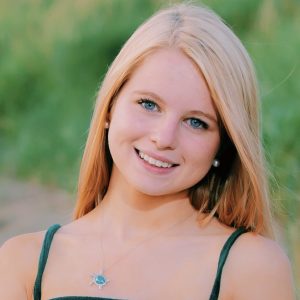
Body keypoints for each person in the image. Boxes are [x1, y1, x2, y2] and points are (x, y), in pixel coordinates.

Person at [0, 3, 295, 300]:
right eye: (149, 104)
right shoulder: (22, 263)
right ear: (110, 106)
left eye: (196, 122)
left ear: (224, 144)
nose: (164, 138)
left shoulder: (252, 268)